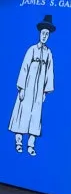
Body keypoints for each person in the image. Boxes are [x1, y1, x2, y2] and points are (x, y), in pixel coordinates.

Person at [9, 14, 55, 156]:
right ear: (40, 33)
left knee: (35, 116)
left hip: (38, 91)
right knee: (22, 113)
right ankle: (18, 143)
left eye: (47, 34)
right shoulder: (32, 50)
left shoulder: (48, 53)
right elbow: (24, 68)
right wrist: (22, 88)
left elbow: (49, 73)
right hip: (27, 87)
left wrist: (44, 91)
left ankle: (31, 145)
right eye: (43, 33)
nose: (44, 36)